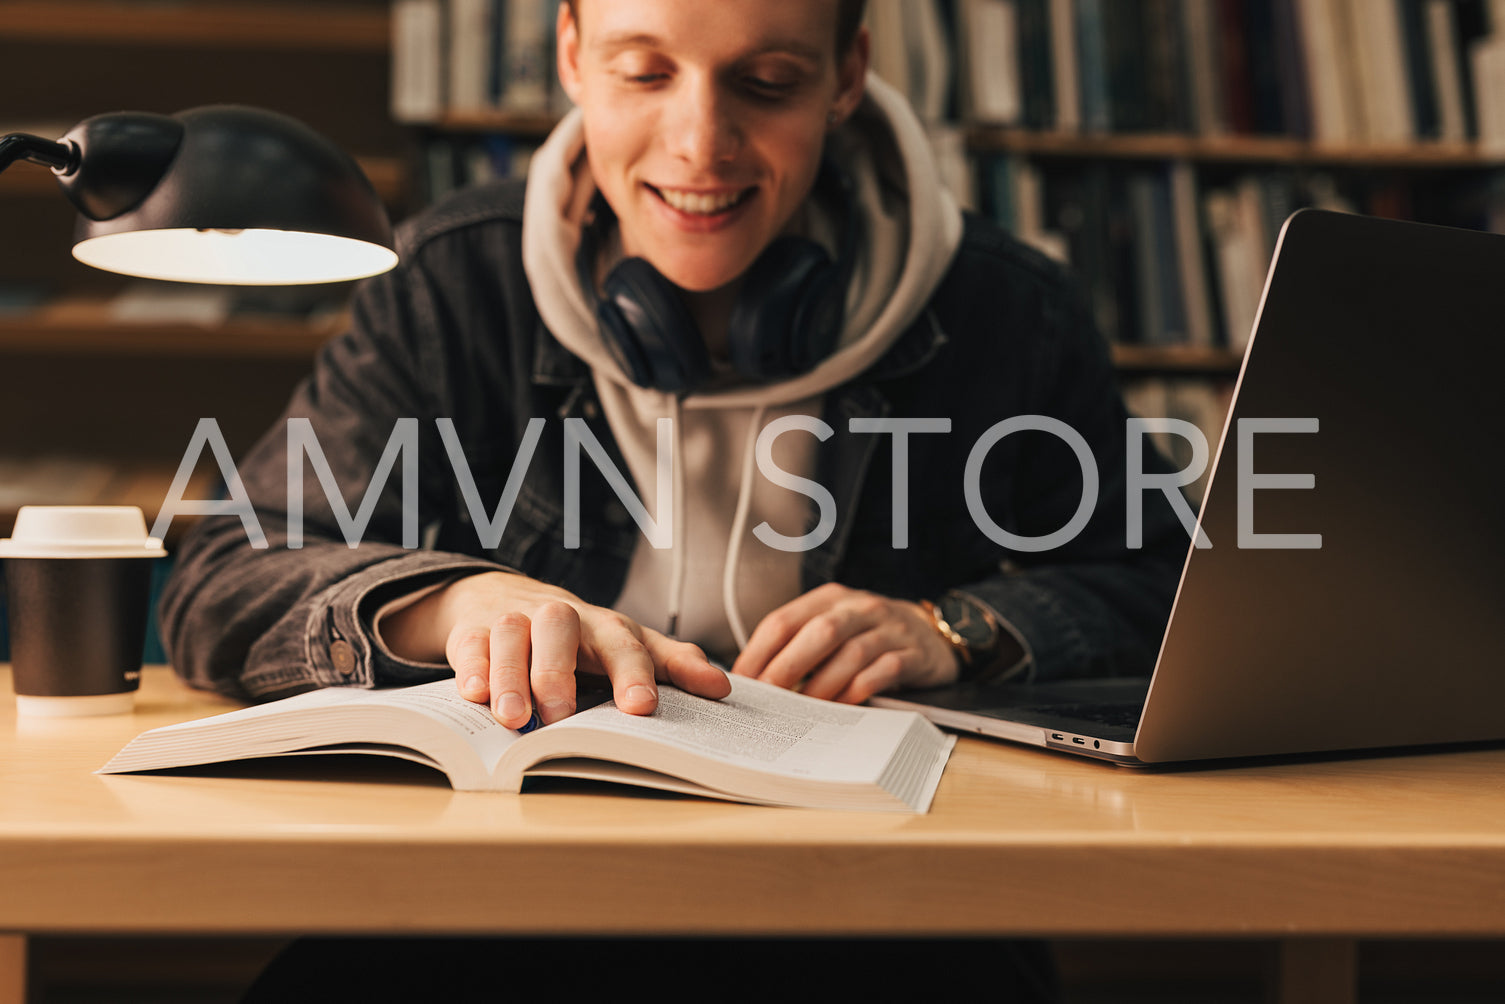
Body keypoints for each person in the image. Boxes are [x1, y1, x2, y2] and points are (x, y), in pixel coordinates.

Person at [163, 2, 1185, 1000]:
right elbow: (221, 574)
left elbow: (1174, 587)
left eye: (768, 81)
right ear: (569, 55)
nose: (700, 143)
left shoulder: (1005, 305)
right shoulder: (455, 279)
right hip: (508, 887)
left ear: (846, 76)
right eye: (643, 72)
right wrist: (454, 602)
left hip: (874, 896)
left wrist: (953, 628)